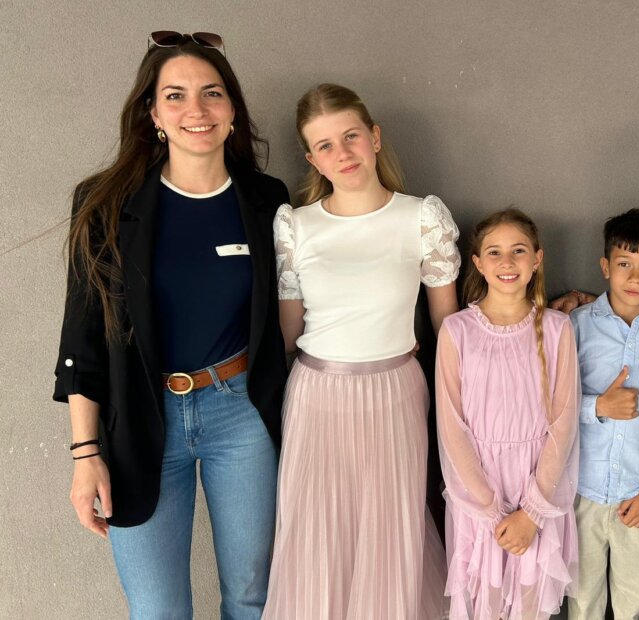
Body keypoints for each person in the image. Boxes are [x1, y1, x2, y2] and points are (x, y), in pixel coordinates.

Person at [53, 32, 290, 618]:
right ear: (154, 115)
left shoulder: (267, 200)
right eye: (176, 95)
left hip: (243, 413)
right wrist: (86, 456)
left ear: (232, 110)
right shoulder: (106, 203)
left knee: (253, 597)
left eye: (212, 93)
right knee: (158, 610)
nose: (196, 110)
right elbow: (82, 341)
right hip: (141, 417)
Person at [265, 83, 459, 619]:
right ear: (312, 159)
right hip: (316, 395)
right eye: (325, 145)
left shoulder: (421, 217)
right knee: (317, 531)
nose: (343, 153)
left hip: (396, 392)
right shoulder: (296, 226)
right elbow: (287, 334)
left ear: (374, 137)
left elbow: (447, 326)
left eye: (351, 136)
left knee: (391, 529)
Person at [436, 208, 580, 620]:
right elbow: (452, 428)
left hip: (539, 486)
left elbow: (564, 425)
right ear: (478, 263)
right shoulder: (457, 330)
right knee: (486, 601)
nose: (507, 262)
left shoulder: (558, 328)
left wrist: (532, 511)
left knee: (530, 604)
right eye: (494, 252)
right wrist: (490, 508)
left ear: (537, 259)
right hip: (478, 491)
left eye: (518, 250)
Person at [567, 209, 639, 620]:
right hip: (582, 492)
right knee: (583, 602)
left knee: (635, 604)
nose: (635, 277)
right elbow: (550, 405)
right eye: (624, 264)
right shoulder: (576, 327)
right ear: (605, 267)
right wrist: (597, 406)